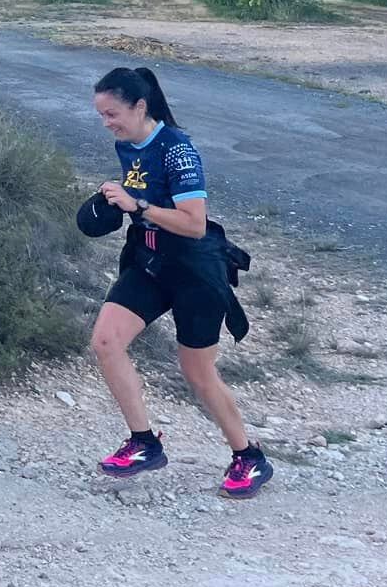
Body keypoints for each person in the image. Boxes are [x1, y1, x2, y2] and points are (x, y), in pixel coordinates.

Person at [86, 66, 270, 499]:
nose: (107, 123)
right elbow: (137, 200)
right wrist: (113, 201)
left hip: (194, 269)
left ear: (141, 106)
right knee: (106, 341)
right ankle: (144, 443)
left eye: (112, 113)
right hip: (151, 263)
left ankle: (249, 456)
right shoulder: (128, 146)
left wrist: (139, 204)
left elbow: (193, 224)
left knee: (197, 372)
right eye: (102, 115)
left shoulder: (178, 150)